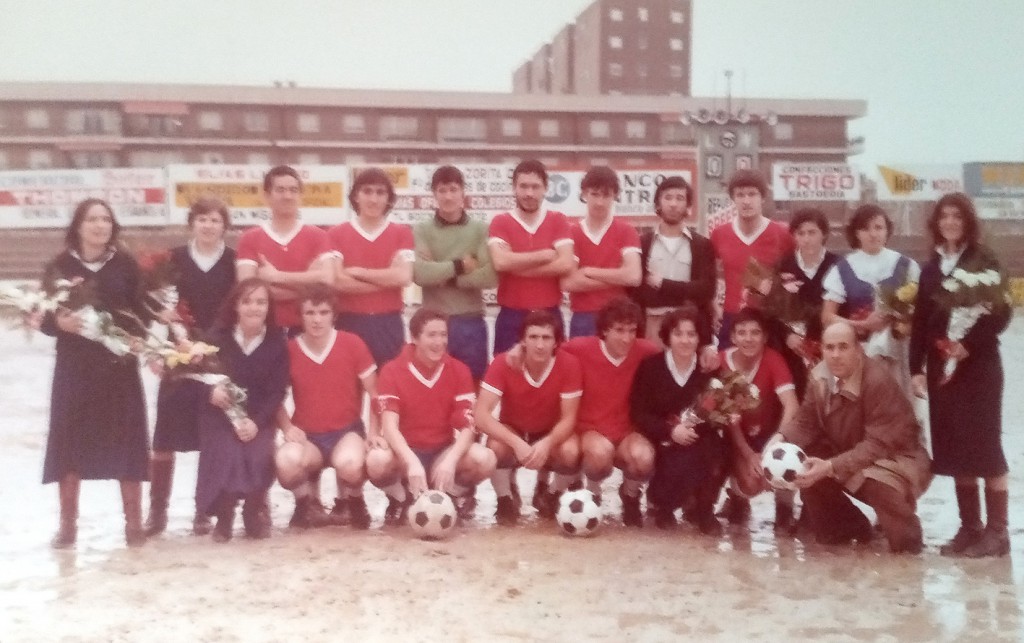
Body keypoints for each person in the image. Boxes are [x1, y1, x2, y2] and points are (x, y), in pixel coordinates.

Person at [42, 198, 151, 548]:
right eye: (92, 219)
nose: (100, 225)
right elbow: (42, 315)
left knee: (128, 441)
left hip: (118, 368)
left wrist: (138, 337)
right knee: (69, 443)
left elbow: (143, 311)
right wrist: (58, 324)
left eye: (106, 219)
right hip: (74, 369)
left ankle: (133, 525)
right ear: (78, 226)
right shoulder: (59, 266)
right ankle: (68, 526)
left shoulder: (126, 265)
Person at [909, 193, 1011, 557]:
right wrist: (915, 368)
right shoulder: (930, 269)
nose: (950, 222)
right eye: (944, 216)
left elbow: (1001, 314)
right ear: (936, 223)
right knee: (954, 447)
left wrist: (969, 344)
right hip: (942, 371)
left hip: (979, 367)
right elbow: (921, 322)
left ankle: (998, 533)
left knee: (985, 446)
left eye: (957, 216)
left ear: (967, 221)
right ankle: (970, 528)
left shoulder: (984, 260)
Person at [781, 321, 931, 554]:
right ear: (822, 349)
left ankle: (908, 544)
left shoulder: (877, 381)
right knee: (806, 463)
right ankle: (846, 529)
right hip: (853, 450)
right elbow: (805, 422)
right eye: (829, 347)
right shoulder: (819, 376)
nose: (835, 355)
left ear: (858, 349)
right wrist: (780, 439)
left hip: (899, 458)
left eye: (843, 347)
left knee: (878, 483)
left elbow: (876, 445)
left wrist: (830, 466)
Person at [147, 197, 236, 538]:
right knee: (164, 437)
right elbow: (150, 306)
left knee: (210, 434)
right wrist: (157, 347)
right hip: (177, 354)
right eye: (202, 219)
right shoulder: (171, 260)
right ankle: (157, 511)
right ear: (191, 224)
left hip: (217, 356)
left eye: (215, 220)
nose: (208, 226)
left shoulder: (233, 262)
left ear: (224, 226)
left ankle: (203, 510)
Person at [368, 308, 496, 526]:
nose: (439, 342)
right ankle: (402, 498)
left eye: (443, 335)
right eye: (431, 335)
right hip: (405, 452)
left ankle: (449, 496)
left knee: (485, 458)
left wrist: (450, 461)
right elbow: (389, 427)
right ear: (415, 338)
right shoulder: (392, 370)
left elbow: (468, 426)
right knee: (376, 461)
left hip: (440, 451)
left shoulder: (459, 370)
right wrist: (411, 462)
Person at [274, 286, 379, 530]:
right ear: (300, 316)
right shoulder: (290, 349)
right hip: (308, 436)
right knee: (286, 462)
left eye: (323, 312)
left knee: (351, 464)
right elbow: (274, 396)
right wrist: (287, 427)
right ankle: (305, 504)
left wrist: (374, 433)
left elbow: (375, 393)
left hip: (346, 432)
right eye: (310, 313)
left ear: (334, 315)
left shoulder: (352, 343)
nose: (317, 319)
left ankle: (353, 501)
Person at [196, 278, 289, 542]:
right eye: (247, 301)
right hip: (220, 416)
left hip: (259, 417)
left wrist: (256, 423)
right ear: (235, 305)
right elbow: (193, 380)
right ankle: (224, 517)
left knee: (259, 452)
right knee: (227, 451)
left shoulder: (277, 343)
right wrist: (210, 393)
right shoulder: (215, 339)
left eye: (261, 302)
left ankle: (252, 511)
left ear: (268, 307)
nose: (254, 308)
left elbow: (277, 392)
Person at [559, 296, 660, 527]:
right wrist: (519, 349)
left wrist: (707, 351)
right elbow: (547, 350)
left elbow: (674, 357)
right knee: (599, 454)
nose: (627, 338)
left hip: (626, 431)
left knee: (644, 458)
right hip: (590, 430)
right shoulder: (580, 348)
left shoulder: (646, 351)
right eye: (619, 330)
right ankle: (592, 494)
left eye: (632, 330)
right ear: (605, 330)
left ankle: (630, 495)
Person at [476, 310, 583, 525]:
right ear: (522, 340)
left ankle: (551, 494)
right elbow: (481, 415)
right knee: (496, 447)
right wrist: (516, 443)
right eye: (533, 337)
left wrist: (547, 443)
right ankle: (505, 499)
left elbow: (569, 419)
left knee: (571, 451)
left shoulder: (569, 364)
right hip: (515, 428)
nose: (540, 345)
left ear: (556, 342)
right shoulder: (503, 363)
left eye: (546, 338)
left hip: (549, 430)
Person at [630, 305, 725, 534]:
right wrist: (670, 431)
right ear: (668, 336)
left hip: (698, 438)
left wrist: (721, 416)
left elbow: (715, 412)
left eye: (691, 334)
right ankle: (664, 507)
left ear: (700, 338)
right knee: (674, 460)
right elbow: (638, 413)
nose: (685, 340)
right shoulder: (651, 367)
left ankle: (704, 509)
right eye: (678, 333)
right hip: (662, 438)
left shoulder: (709, 370)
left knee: (716, 451)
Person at [716, 307, 800, 532]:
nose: (748, 338)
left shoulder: (773, 359)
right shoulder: (721, 361)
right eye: (742, 332)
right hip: (737, 437)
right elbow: (728, 417)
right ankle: (737, 497)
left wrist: (776, 443)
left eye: (755, 332)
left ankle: (785, 506)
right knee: (752, 482)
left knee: (793, 441)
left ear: (765, 337)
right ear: (733, 337)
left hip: (769, 434)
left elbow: (791, 405)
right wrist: (748, 454)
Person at [822, 204, 920, 395]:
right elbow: (827, 317)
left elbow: (919, 312)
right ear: (856, 233)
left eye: (878, 227)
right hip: (860, 351)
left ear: (887, 230)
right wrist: (863, 324)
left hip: (898, 351)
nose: (873, 234)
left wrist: (901, 321)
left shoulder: (907, 265)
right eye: (866, 229)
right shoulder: (843, 268)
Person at [413, 165, 496, 380]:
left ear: (463, 192)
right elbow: (420, 274)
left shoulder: (480, 229)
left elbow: (489, 276)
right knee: (433, 385)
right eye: (442, 190)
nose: (448, 196)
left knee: (473, 384)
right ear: (434, 194)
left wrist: (443, 276)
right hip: (433, 322)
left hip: (471, 321)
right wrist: (459, 266)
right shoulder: (422, 230)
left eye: (453, 189)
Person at [328, 167, 415, 365]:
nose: (373, 199)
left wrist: (359, 272)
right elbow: (338, 282)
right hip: (349, 321)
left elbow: (404, 277)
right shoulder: (336, 233)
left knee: (388, 383)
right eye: (367, 191)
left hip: (388, 323)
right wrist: (388, 278)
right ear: (355, 196)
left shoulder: (401, 233)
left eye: (380, 192)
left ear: (388, 198)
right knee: (350, 383)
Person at [488, 159, 574, 354]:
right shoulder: (501, 221)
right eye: (523, 186)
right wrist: (544, 255)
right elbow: (500, 262)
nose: (529, 193)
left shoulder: (558, 220)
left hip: (549, 314)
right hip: (511, 315)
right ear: (514, 188)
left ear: (545, 188)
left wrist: (516, 265)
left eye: (535, 187)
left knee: (553, 370)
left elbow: (565, 263)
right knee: (507, 370)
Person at [236, 165, 334, 333]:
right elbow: (249, 291)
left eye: (293, 190)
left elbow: (327, 282)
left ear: (300, 195)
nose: (287, 196)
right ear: (267, 195)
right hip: (265, 329)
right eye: (280, 190)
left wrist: (276, 277)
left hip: (308, 330)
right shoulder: (250, 237)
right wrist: (308, 286)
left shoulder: (319, 236)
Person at [710, 169, 794, 347]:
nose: (746, 201)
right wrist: (714, 305)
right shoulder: (719, 234)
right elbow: (709, 274)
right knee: (728, 365)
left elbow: (794, 277)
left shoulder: (783, 234)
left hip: (769, 319)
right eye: (740, 195)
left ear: (762, 197)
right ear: (733, 198)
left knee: (772, 364)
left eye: (752, 194)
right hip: (733, 318)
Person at [632, 175, 716, 348]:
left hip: (689, 326)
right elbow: (637, 291)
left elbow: (706, 290)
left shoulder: (701, 245)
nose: (673, 204)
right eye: (668, 197)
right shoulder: (642, 243)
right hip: (652, 324)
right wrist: (686, 290)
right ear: (658, 203)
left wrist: (662, 284)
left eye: (680, 198)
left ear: (688, 205)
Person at [767, 207, 840, 399]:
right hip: (792, 348)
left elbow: (844, 308)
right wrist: (787, 335)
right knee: (797, 396)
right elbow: (771, 310)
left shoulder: (838, 265)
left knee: (827, 398)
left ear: (824, 234)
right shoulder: (783, 265)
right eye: (801, 233)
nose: (806, 239)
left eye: (812, 232)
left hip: (828, 346)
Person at [561, 166, 641, 338]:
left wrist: (589, 271)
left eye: (606, 195)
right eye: (594, 194)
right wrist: (619, 277)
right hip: (583, 316)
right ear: (584, 194)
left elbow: (634, 276)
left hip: (618, 317)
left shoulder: (626, 231)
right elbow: (568, 282)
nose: (599, 202)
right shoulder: (571, 232)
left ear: (615, 196)